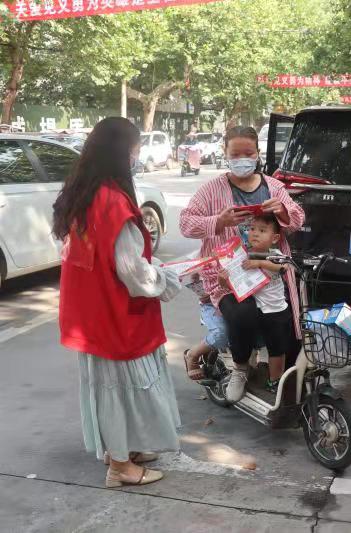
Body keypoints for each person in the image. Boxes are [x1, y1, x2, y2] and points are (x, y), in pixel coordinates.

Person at [53, 117, 182, 488]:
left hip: (91, 312)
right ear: (122, 153)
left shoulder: (81, 194)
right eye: (135, 150)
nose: (136, 157)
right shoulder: (113, 202)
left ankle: (122, 450)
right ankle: (121, 466)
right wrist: (166, 280)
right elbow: (131, 270)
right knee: (126, 387)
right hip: (117, 313)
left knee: (110, 386)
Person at [179, 126, 305, 403]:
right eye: (235, 154)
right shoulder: (211, 190)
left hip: (269, 277)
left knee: (283, 326)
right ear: (225, 154)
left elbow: (297, 220)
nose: (242, 159)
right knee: (242, 314)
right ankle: (240, 369)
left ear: (257, 154)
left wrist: (283, 211)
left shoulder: (273, 187)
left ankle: (277, 379)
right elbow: (186, 224)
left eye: (248, 153)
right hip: (229, 278)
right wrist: (217, 221)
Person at [218, 214, 294, 394]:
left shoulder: (275, 254)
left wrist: (259, 263)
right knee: (252, 340)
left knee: (277, 350)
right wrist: (223, 280)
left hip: (276, 310)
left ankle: (275, 381)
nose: (255, 233)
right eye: (252, 229)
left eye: (262, 230)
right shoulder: (241, 256)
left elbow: (284, 267)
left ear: (275, 238)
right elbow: (233, 284)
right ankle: (247, 369)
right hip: (256, 309)